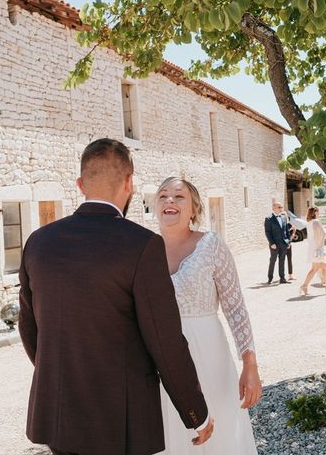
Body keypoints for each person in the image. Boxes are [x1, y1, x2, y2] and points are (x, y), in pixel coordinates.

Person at [18, 139, 213, 455]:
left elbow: (29, 329)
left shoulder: (38, 242)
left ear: (81, 184)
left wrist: (60, 376)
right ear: (129, 182)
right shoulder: (143, 246)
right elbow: (165, 341)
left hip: (58, 415)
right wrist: (196, 413)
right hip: (119, 421)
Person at [155, 177, 261, 454]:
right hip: (161, 359)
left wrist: (250, 366)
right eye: (163, 196)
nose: (169, 201)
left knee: (221, 435)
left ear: (194, 209)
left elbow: (235, 307)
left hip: (210, 353)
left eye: (179, 197)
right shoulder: (144, 251)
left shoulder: (211, 245)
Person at [300, 206, 326, 296]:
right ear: (315, 212)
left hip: (314, 248)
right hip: (318, 248)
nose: (319, 213)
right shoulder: (316, 222)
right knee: (315, 269)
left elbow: (315, 235)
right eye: (318, 212)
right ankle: (304, 286)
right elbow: (321, 234)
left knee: (325, 267)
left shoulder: (309, 222)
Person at [264, 201, 291, 284]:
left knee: (282, 260)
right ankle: (270, 278)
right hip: (274, 244)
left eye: (281, 207)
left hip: (283, 243)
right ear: (274, 208)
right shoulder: (268, 219)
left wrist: (288, 241)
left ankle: (282, 278)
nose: (281, 209)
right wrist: (272, 243)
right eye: (279, 207)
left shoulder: (283, 217)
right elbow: (267, 232)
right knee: (273, 260)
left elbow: (286, 230)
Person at [284, 212, 297, 280]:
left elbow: (291, 237)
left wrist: (293, 232)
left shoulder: (289, 225)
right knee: (281, 260)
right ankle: (282, 276)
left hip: (288, 245)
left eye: (286, 217)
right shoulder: (280, 225)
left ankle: (290, 275)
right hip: (281, 245)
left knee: (289, 260)